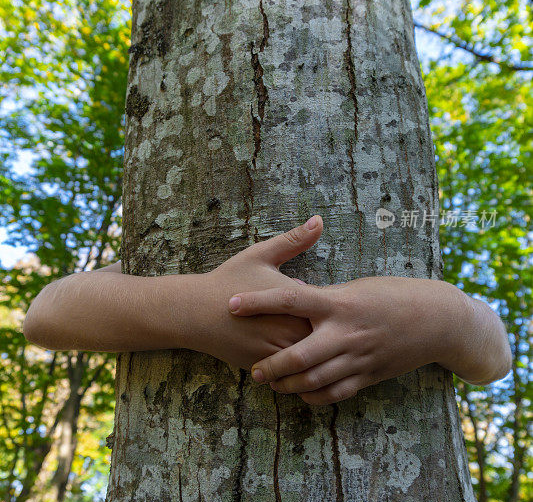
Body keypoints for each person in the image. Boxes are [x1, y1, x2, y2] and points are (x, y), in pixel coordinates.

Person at [22, 215, 512, 405]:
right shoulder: (164, 242)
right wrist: (199, 305)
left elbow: (496, 360)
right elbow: (47, 312)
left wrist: (442, 316)